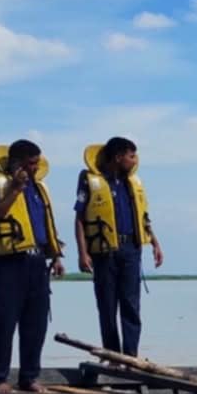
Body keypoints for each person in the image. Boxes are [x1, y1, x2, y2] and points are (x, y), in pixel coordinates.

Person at [0, 140, 65, 393]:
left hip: (37, 261)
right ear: (17, 163)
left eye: (37, 163)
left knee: (36, 323)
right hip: (7, 262)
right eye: (31, 163)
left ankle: (29, 377)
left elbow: (44, 224)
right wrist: (15, 189)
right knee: (4, 321)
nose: (35, 168)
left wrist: (56, 256)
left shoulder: (38, 188)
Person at [75, 135, 164, 358]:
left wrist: (155, 242)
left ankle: (131, 355)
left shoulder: (131, 183)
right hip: (104, 252)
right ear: (118, 157)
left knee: (131, 304)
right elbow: (80, 218)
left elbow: (143, 217)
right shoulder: (90, 180)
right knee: (107, 305)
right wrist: (82, 253)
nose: (135, 161)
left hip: (131, 249)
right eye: (131, 156)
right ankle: (112, 355)